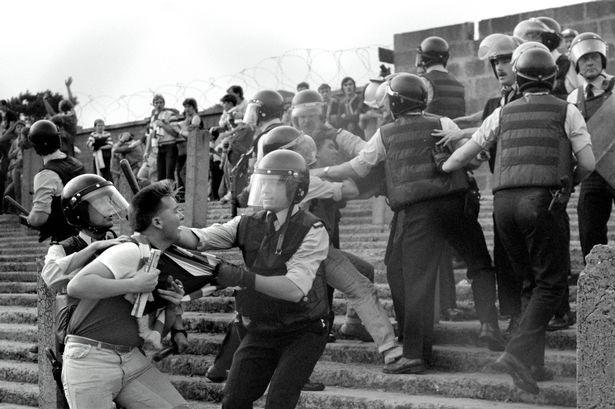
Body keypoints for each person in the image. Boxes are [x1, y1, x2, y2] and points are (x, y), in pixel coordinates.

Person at [311, 73, 504, 374]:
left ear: (393, 102)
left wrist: (324, 171)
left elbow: (359, 167)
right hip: (456, 203)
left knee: (415, 280)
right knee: (479, 263)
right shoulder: (444, 122)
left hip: (417, 214)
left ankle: (415, 352)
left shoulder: (384, 133)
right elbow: (471, 156)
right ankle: (489, 326)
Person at [438, 44, 594, 394]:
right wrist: (572, 180)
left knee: (528, 285)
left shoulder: (501, 113)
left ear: (519, 78)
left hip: (504, 206)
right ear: (553, 77)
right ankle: (516, 352)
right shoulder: (566, 109)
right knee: (552, 283)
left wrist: (445, 166)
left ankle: (534, 365)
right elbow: (589, 164)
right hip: (542, 202)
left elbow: (459, 157)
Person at [176, 150, 330, 409]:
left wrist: (242, 277)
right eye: (263, 182)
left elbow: (294, 290)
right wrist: (165, 227)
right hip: (262, 327)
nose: (266, 190)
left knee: (279, 402)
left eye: (276, 183)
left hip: (303, 329)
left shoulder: (312, 228)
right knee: (233, 401)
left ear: (297, 189)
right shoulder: (246, 223)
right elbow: (199, 238)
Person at [63, 181, 190, 409]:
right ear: (157, 222)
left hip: (132, 358)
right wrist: (134, 283)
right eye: (176, 211)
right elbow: (77, 285)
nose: (181, 217)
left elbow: (154, 337)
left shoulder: (157, 258)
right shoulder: (129, 250)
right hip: (91, 360)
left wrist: (172, 307)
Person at [434, 33, 525, 337]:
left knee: (524, 254)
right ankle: (512, 315)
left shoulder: (530, 95)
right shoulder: (494, 101)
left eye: (505, 60)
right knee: (504, 253)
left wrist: (463, 138)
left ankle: (536, 314)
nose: (500, 67)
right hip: (502, 184)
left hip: (526, 183)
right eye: (495, 61)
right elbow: (486, 135)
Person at [563, 32, 615, 329]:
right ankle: (599, 288)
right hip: (593, 173)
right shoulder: (572, 98)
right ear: (577, 64)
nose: (590, 64)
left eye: (594, 58)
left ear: (602, 60)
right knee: (589, 227)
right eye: (584, 59)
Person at [26, 119, 85, 243]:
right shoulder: (76, 164)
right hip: (85, 236)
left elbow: (39, 218)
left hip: (65, 243)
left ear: (36, 146)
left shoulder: (46, 175)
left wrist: (30, 218)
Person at [416, 36, 465, 119]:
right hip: (457, 130)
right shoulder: (459, 85)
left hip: (432, 130)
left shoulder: (423, 81)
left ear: (423, 58)